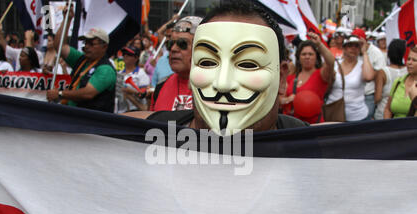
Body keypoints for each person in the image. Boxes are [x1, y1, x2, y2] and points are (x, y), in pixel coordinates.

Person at [123, 0, 310, 136]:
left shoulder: (315, 149)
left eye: (248, 64)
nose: (223, 83)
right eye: (207, 63)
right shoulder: (136, 137)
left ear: (282, 77)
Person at [46, 5, 117, 113]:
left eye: (91, 43)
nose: (86, 46)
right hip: (75, 116)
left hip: (94, 123)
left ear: (104, 46)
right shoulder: (81, 59)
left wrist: (60, 94)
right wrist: (67, 19)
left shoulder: (106, 69)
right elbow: (59, 46)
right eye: (85, 43)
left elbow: (88, 93)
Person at [149, 16, 203, 112]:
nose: (173, 49)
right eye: (170, 44)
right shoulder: (161, 86)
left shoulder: (217, 88)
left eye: (182, 44)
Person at [281, 34, 335, 123]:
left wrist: (319, 44)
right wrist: (287, 100)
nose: (307, 57)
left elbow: (330, 62)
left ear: (316, 57)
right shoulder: (291, 76)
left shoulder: (321, 75)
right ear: (298, 57)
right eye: (303, 54)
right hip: (292, 125)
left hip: (313, 126)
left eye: (310, 54)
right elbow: (280, 100)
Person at [325, 35, 375, 122]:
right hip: (334, 114)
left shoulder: (362, 65)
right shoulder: (335, 64)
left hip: (357, 116)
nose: (353, 48)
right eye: (350, 46)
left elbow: (369, 77)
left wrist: (364, 53)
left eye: (356, 46)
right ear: (344, 48)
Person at [352, 28, 386, 120]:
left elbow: (381, 75)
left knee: (365, 123)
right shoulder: (352, 51)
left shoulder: (376, 53)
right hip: (353, 94)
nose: (355, 46)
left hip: (368, 95)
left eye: (358, 43)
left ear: (364, 41)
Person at [374, 39, 407, 120]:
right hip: (402, 112)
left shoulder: (382, 72)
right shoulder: (408, 71)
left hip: (383, 112)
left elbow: (377, 97)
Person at [384, 46, 417, 119]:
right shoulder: (398, 81)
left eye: (414, 60)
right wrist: (388, 127)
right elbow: (388, 109)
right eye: (408, 59)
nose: (409, 63)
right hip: (395, 129)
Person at [118, 46, 150, 112]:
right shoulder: (119, 73)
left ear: (136, 58)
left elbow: (144, 95)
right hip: (120, 111)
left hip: (136, 110)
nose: (125, 56)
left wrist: (130, 91)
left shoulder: (141, 74)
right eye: (124, 54)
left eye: (129, 55)